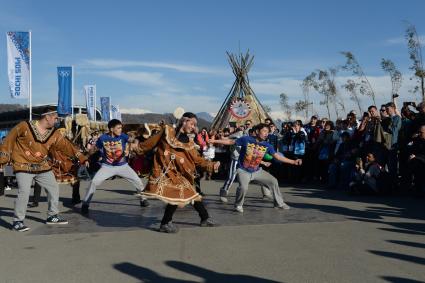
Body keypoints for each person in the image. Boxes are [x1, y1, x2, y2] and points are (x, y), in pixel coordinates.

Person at [0, 107, 87, 232]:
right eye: (55, 117)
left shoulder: (54, 133)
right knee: (24, 192)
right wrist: (2, 160)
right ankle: (18, 221)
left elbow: (66, 146)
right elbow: (8, 141)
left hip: (42, 166)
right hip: (23, 165)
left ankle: (52, 215)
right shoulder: (24, 126)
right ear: (47, 117)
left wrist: (82, 157)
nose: (57, 120)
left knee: (53, 188)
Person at [133, 112, 220, 233]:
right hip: (164, 172)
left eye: (195, 125)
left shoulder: (189, 143)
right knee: (176, 195)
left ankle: (204, 218)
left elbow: (197, 160)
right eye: (192, 123)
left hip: (179, 175)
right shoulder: (167, 131)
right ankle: (165, 223)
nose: (193, 127)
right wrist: (136, 147)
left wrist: (211, 165)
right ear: (184, 121)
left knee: (192, 194)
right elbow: (150, 142)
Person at [211, 123, 302, 213]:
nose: (266, 133)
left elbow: (277, 156)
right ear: (257, 131)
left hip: (257, 171)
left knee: (273, 181)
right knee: (243, 187)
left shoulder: (267, 145)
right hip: (243, 170)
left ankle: (279, 203)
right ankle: (238, 205)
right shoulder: (246, 139)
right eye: (264, 131)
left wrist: (293, 161)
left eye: (268, 132)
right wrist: (215, 141)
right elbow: (231, 142)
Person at [81, 119, 149, 214]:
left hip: (123, 166)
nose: (121, 130)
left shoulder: (123, 136)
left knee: (137, 181)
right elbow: (94, 149)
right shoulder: (102, 138)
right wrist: (86, 157)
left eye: (121, 127)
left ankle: (143, 199)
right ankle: (85, 204)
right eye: (118, 128)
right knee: (94, 182)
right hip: (107, 167)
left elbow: (133, 140)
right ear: (112, 129)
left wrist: (130, 147)